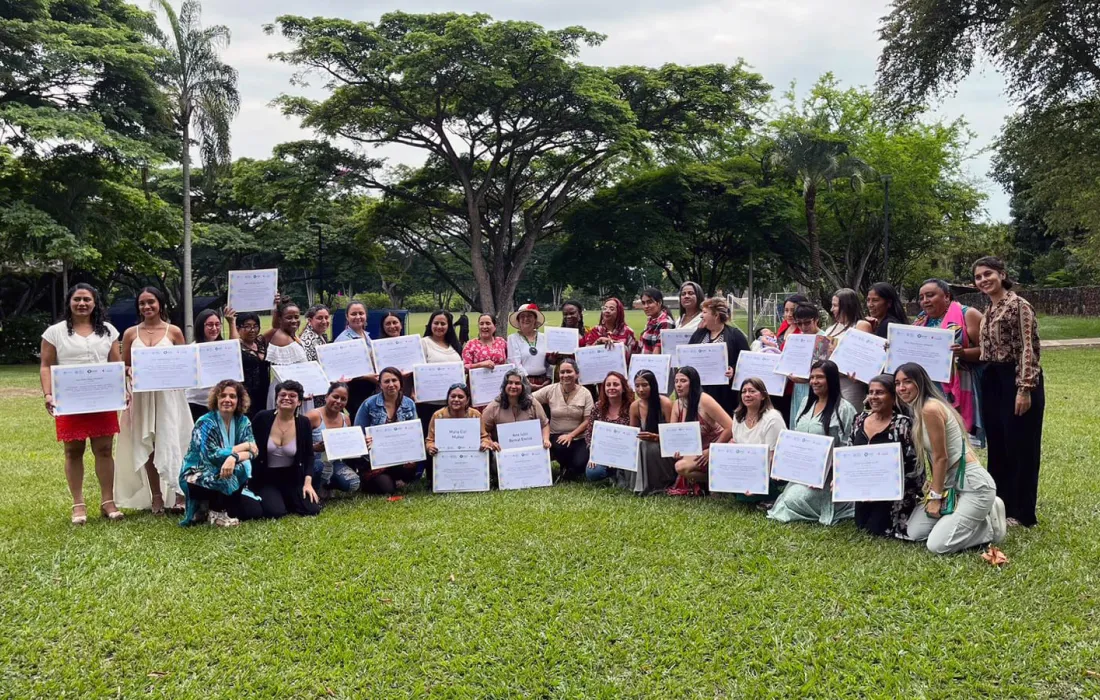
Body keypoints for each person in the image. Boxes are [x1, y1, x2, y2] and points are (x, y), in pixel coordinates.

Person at [895, 363, 1007, 553]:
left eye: (907, 382)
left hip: (974, 486)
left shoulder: (929, 409)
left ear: (920, 383)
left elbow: (941, 457)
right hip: (950, 484)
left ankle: (987, 527)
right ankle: (970, 519)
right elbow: (933, 456)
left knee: (937, 545)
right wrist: (934, 485)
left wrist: (936, 497)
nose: (901, 388)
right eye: (897, 383)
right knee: (915, 533)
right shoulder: (918, 408)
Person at [39, 283, 125, 523]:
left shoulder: (108, 331)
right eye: (77, 299)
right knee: (73, 451)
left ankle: (108, 501)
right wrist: (48, 394)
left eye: (87, 299)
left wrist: (123, 390)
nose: (82, 303)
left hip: (103, 399)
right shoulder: (54, 332)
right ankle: (78, 504)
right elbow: (46, 365)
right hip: (70, 400)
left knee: (105, 450)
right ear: (69, 302)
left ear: (95, 303)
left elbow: (115, 365)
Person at [973, 256, 1045, 528]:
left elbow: (1029, 347)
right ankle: (1001, 503)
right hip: (992, 378)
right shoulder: (989, 309)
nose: (983, 280)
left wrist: (1025, 388)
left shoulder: (1019, 306)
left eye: (987, 273)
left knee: (1021, 445)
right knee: (999, 444)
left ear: (1002, 274)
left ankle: (1022, 511)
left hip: (1016, 378)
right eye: (978, 277)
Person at [116, 286, 193, 513]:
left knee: (173, 439)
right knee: (146, 443)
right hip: (142, 397)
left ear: (160, 304)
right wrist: (128, 371)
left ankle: (179, 493)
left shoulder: (174, 332)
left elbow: (185, 363)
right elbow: (124, 365)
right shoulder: (130, 333)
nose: (147, 307)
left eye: (151, 302)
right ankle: (156, 496)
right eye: (142, 303)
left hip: (169, 396)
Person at [768, 360, 857, 526]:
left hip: (828, 478)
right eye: (812, 377)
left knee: (792, 500)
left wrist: (833, 477)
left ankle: (839, 505)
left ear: (831, 379)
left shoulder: (845, 409)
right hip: (802, 473)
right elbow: (793, 440)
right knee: (786, 500)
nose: (814, 381)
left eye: (820, 377)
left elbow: (848, 447)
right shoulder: (805, 404)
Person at [846, 374, 924, 538]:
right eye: (871, 392)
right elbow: (848, 455)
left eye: (880, 392)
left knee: (879, 529)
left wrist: (885, 488)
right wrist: (842, 480)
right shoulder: (859, 419)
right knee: (862, 526)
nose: (874, 397)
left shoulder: (903, 424)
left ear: (893, 397)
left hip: (894, 493)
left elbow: (915, 466)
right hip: (863, 492)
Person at [178, 379, 258, 527]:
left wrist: (234, 457)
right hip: (197, 474)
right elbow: (212, 456)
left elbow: (254, 452)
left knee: (254, 511)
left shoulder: (243, 421)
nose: (227, 400)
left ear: (239, 400)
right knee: (232, 470)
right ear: (217, 399)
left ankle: (210, 509)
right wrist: (244, 446)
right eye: (223, 396)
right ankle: (216, 512)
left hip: (228, 469)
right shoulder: (205, 422)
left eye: (232, 396)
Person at [913, 278, 984, 443]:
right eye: (921, 297)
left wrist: (963, 353)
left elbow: (989, 351)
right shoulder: (921, 319)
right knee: (933, 439)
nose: (925, 301)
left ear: (947, 296)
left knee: (957, 440)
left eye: (930, 295)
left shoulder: (968, 314)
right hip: (929, 387)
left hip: (960, 386)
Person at [245, 380, 322, 519]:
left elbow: (309, 456)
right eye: (283, 395)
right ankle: (275, 499)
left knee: (312, 509)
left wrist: (308, 483)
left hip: (292, 477)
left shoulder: (304, 423)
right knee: (276, 512)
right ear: (276, 399)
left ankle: (287, 498)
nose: (286, 398)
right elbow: (248, 443)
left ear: (299, 402)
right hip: (266, 477)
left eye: (292, 396)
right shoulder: (262, 417)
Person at [665, 366, 733, 496]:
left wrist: (713, 450)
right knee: (680, 466)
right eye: (676, 381)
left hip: (718, 446)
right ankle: (711, 481)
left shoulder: (705, 400)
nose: (679, 385)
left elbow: (730, 427)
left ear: (693, 382)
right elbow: (673, 436)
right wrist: (676, 451)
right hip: (697, 450)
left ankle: (721, 481)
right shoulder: (677, 404)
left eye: (683, 381)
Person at [354, 367, 420, 494]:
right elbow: (358, 432)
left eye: (394, 380)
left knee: (410, 472)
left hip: (400, 456)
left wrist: (412, 454)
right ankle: (371, 479)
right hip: (374, 461)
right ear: (380, 385)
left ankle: (395, 476)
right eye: (386, 381)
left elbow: (414, 433)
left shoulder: (409, 404)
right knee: (387, 489)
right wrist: (364, 439)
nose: (391, 385)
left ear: (400, 383)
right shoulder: (369, 404)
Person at [727, 377, 787, 506]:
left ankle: (772, 495)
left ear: (763, 396)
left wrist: (754, 479)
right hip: (745, 468)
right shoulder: (738, 416)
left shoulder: (772, 418)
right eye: (744, 391)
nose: (747, 395)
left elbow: (773, 457)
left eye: (752, 391)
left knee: (749, 494)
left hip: (768, 470)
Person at [533, 358, 594, 481]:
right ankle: (565, 467)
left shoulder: (585, 393)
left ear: (577, 374)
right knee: (561, 445)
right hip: (556, 436)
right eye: (562, 372)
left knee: (580, 464)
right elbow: (530, 400)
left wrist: (571, 435)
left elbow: (588, 420)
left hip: (579, 437)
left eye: (569, 372)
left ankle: (569, 469)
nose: (565, 375)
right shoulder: (551, 390)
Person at [687, 297, 750, 413]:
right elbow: (688, 357)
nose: (701, 316)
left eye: (705, 312)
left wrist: (734, 370)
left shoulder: (735, 335)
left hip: (726, 394)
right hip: (701, 391)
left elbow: (747, 362)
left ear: (716, 316)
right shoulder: (699, 334)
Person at [425, 383, 493, 486]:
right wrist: (430, 447)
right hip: (445, 457)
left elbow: (484, 436)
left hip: (469, 457)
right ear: (448, 398)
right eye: (453, 396)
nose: (456, 399)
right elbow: (429, 440)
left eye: (461, 397)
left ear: (467, 400)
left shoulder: (475, 415)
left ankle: (479, 480)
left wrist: (485, 443)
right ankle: (435, 482)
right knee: (431, 453)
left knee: (487, 450)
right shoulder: (438, 415)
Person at [306, 382, 361, 497]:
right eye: (335, 397)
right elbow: (297, 443)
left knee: (353, 483)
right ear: (326, 397)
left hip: (335, 462)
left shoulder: (345, 419)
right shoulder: (313, 416)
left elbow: (348, 445)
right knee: (321, 467)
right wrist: (314, 447)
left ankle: (327, 485)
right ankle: (314, 489)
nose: (339, 401)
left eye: (343, 399)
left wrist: (361, 443)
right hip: (314, 461)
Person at [186, 308, 239, 422]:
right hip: (196, 403)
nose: (214, 328)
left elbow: (236, 348)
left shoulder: (223, 347)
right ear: (201, 326)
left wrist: (232, 322)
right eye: (210, 325)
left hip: (220, 403)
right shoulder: (191, 349)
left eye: (217, 324)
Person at [628, 369, 676, 495]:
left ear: (653, 385)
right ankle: (638, 485)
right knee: (639, 446)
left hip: (664, 448)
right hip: (643, 447)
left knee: (646, 446)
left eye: (644, 385)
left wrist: (656, 437)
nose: (641, 390)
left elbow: (673, 435)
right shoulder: (635, 406)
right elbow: (633, 434)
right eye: (637, 386)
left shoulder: (665, 403)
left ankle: (656, 484)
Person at [418, 310, 464, 437]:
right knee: (431, 438)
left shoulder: (455, 345)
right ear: (430, 325)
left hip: (453, 403)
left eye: (443, 324)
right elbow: (416, 371)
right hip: (429, 403)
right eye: (436, 323)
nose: (439, 327)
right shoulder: (424, 343)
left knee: (450, 437)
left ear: (449, 326)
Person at [584, 371, 635, 485]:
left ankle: (620, 472)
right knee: (592, 473)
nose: (611, 388)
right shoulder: (598, 407)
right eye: (608, 385)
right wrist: (593, 454)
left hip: (624, 451)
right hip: (602, 451)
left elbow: (635, 434)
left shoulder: (632, 407)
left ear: (623, 388)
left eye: (616, 384)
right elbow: (589, 433)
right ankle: (611, 473)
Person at [482, 370, 551, 450]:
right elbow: (483, 432)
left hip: (530, 450)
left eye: (517, 383)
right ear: (505, 385)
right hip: (502, 451)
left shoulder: (532, 403)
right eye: (510, 383)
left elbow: (544, 424)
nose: (513, 386)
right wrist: (491, 443)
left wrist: (545, 439)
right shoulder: (493, 407)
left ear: (523, 386)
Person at [785, 303, 830, 425]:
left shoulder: (823, 339)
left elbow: (823, 369)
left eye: (807, 323)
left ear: (816, 320)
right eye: (799, 323)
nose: (803, 327)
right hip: (798, 387)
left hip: (815, 387)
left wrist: (806, 379)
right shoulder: (795, 338)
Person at [823, 288, 868, 408]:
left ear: (847, 306)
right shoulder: (830, 329)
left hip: (850, 386)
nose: (832, 309)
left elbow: (863, 358)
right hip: (830, 384)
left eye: (835, 305)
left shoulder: (860, 326)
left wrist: (838, 352)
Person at [332, 300, 376, 419]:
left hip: (369, 388)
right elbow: (343, 370)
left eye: (361, 313)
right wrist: (368, 377)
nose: (358, 317)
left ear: (366, 315)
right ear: (347, 316)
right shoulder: (343, 340)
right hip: (355, 390)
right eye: (353, 314)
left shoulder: (366, 335)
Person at [265, 298, 309, 410]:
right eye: (289, 317)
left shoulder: (292, 335)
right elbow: (288, 374)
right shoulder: (282, 337)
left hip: (296, 391)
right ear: (280, 319)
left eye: (296, 317)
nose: (294, 321)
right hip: (287, 394)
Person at [582, 297, 639, 366]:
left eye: (611, 309)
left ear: (619, 312)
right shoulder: (596, 330)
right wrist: (598, 341)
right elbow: (586, 355)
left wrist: (616, 344)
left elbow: (634, 357)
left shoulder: (628, 332)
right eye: (605, 308)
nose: (607, 311)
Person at [506, 303, 551, 389]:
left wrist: (548, 378)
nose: (526, 319)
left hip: (544, 382)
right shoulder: (513, 338)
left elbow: (549, 362)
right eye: (522, 316)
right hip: (522, 382)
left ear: (535, 319)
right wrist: (527, 382)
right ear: (518, 320)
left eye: (529, 316)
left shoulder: (545, 337)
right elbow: (515, 363)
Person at [235, 312, 269, 419]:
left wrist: (276, 306)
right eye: (247, 326)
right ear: (238, 328)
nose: (252, 330)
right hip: (246, 394)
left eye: (255, 326)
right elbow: (234, 345)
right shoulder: (236, 345)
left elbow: (276, 326)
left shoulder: (260, 342)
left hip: (264, 394)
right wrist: (231, 321)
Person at [638, 287, 675, 354]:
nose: (646, 306)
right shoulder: (651, 320)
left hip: (652, 363)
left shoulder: (665, 323)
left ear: (659, 302)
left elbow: (657, 353)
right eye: (643, 303)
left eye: (649, 302)